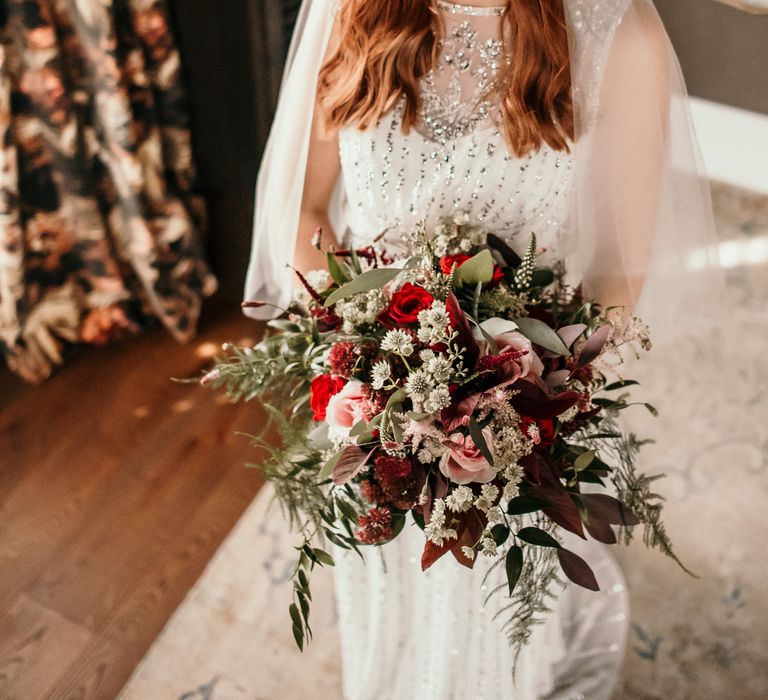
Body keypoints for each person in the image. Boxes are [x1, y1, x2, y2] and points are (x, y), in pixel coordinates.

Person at [245, 1, 727, 697]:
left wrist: (528, 406)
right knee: (389, 586)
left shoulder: (618, 30)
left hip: (519, 419)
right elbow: (304, 210)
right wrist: (380, 359)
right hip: (372, 403)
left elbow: (619, 274)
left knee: (498, 627)